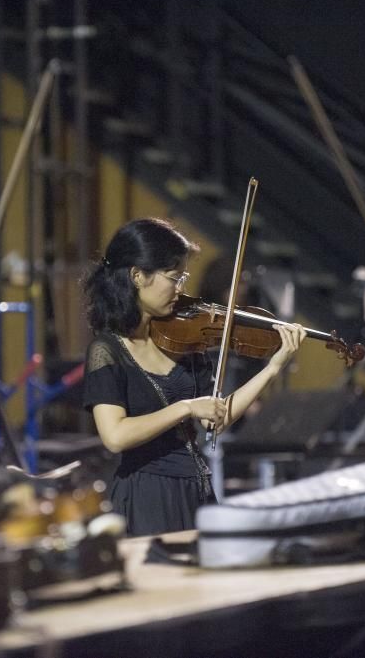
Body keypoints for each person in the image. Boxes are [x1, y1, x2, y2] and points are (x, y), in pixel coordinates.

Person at [81, 218, 306, 536]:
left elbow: (216, 418)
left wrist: (272, 368)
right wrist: (186, 407)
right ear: (137, 276)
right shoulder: (107, 349)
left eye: (183, 277)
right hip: (148, 496)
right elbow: (115, 436)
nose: (181, 288)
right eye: (174, 277)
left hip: (197, 490)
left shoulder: (186, 343)